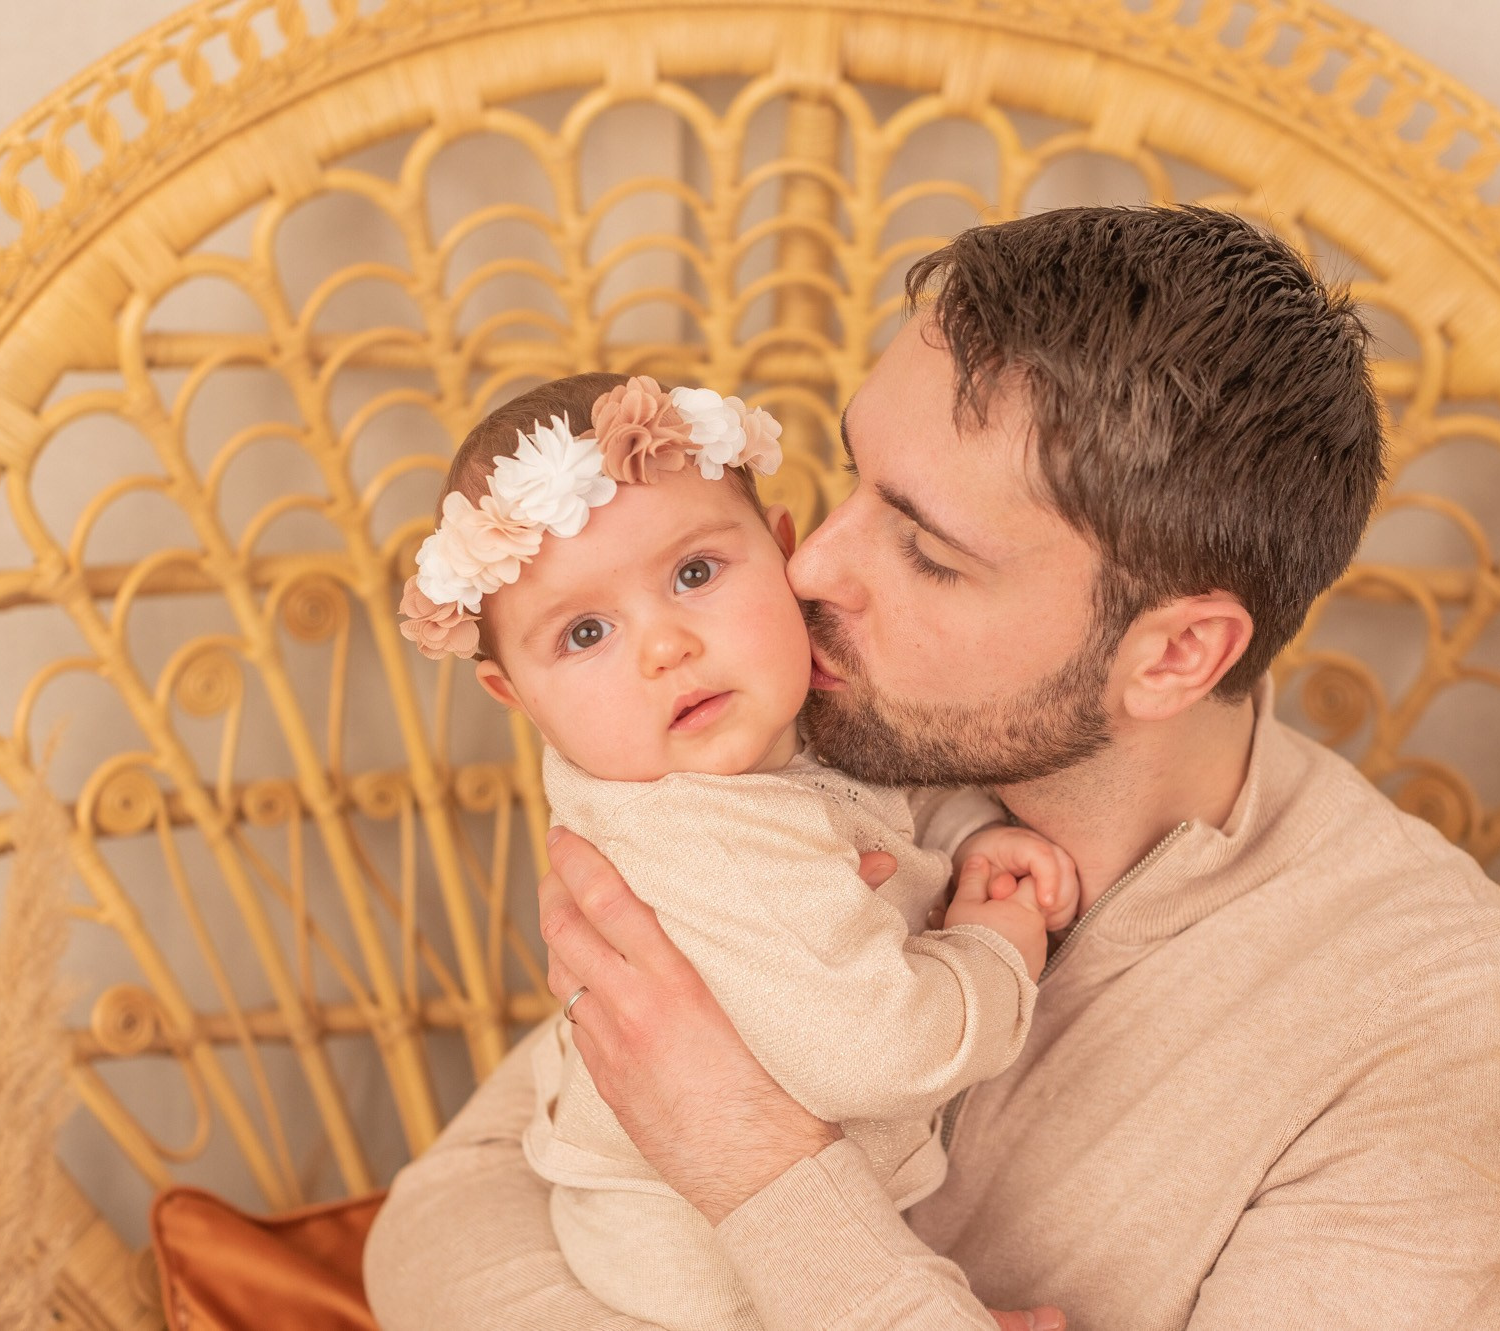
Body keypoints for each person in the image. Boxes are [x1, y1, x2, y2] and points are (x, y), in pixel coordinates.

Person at [363, 205, 1500, 1330]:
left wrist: (751, 1159)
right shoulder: (789, 785)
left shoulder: (1448, 1030)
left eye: (927, 552)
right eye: (847, 479)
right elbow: (442, 1215)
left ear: (1175, 654)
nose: (808, 566)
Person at [385, 371, 1082, 1329]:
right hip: (703, 1276)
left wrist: (969, 835)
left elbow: (882, 799)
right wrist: (992, 947)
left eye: (695, 574)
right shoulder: (696, 834)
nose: (666, 645)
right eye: (586, 632)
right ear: (518, 697)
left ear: (783, 554)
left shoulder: (772, 723)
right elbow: (881, 1051)